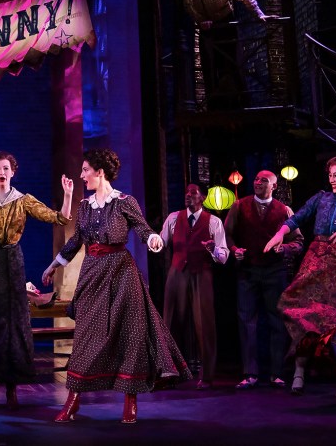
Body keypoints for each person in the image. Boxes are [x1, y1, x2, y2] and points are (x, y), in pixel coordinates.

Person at [46, 148, 189, 424]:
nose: (82, 175)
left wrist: (153, 241)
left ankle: (130, 402)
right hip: (92, 274)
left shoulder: (125, 202)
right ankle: (73, 400)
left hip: (122, 273)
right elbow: (77, 241)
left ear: (100, 172)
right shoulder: (86, 206)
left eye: (86, 170)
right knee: (86, 337)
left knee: (130, 335)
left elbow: (144, 229)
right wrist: (54, 265)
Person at [0, 151, 73, 409]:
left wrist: (69, 195)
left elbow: (58, 218)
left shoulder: (23, 200)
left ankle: (10, 388)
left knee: (11, 326)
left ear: (13, 172)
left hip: (11, 263)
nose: (2, 172)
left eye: (6, 168)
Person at [264, 155, 336, 408]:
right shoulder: (322, 198)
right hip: (316, 261)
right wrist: (279, 236)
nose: (332, 179)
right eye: (330, 175)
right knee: (304, 313)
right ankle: (299, 369)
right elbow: (296, 219)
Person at [225, 170, 302, 390]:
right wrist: (234, 249)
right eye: (256, 179)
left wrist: (284, 248)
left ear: (274, 186)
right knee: (247, 321)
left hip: (274, 272)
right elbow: (227, 234)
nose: (258, 182)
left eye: (264, 180)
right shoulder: (239, 206)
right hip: (248, 271)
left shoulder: (284, 210)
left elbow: (298, 241)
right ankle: (250, 373)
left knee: (277, 321)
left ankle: (276, 372)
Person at [181, 0, 272, 108]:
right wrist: (200, 20)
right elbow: (188, 5)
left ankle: (240, 104)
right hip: (206, 28)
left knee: (232, 64)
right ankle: (214, 107)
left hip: (225, 23)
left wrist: (258, 13)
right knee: (209, 66)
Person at [158, 183, 228, 389]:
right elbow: (161, 243)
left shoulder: (213, 221)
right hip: (177, 272)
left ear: (203, 198)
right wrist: (153, 241)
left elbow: (223, 257)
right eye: (187, 192)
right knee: (170, 320)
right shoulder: (173, 218)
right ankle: (169, 371)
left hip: (201, 273)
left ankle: (206, 376)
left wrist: (214, 249)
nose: (188, 195)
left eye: (193, 193)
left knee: (204, 323)